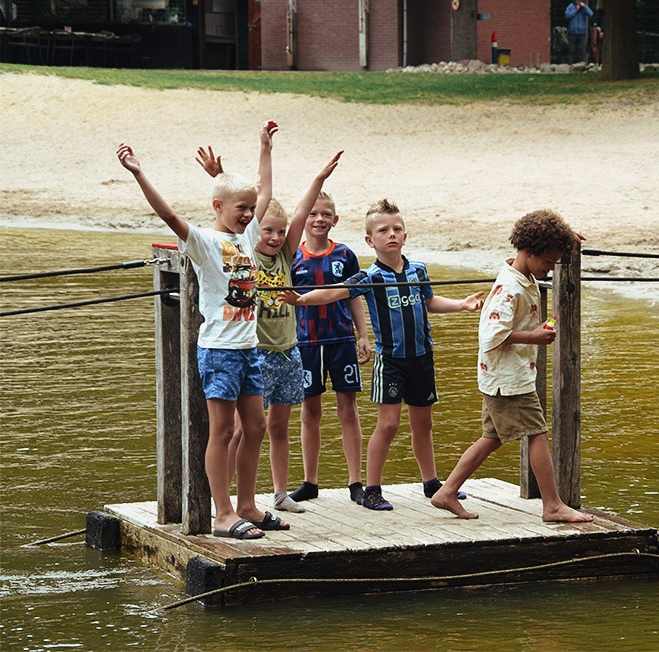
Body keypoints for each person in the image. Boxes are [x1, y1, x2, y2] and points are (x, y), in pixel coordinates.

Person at [116, 121, 288, 540]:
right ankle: (224, 513)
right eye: (240, 209)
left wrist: (264, 146)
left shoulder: (246, 236)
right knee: (223, 430)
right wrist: (139, 173)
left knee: (256, 427)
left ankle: (247, 504)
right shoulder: (205, 242)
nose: (249, 215)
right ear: (217, 207)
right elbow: (169, 215)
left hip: (249, 347)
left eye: (250, 210)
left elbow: (263, 190)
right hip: (219, 350)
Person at [281, 199, 484, 512]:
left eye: (397, 229)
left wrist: (460, 304)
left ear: (405, 235)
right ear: (369, 240)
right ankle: (372, 488)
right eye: (383, 230)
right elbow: (335, 291)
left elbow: (429, 301)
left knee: (423, 423)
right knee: (388, 425)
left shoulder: (418, 270)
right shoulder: (369, 276)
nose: (392, 234)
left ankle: (431, 482)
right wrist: (301, 299)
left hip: (422, 357)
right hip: (390, 361)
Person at [196, 144, 346, 514]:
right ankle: (226, 502)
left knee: (276, 427)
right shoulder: (244, 247)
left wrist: (319, 179)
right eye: (269, 231)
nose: (276, 237)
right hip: (253, 351)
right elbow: (252, 197)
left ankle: (279, 494)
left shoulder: (284, 254)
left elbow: (295, 213)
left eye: (281, 233)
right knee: (238, 430)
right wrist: (245, 159)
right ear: (255, 230)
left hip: (287, 350)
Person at [430, 210, 594, 524]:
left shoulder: (521, 271)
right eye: (548, 262)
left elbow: (542, 239)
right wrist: (532, 336)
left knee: (491, 438)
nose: (550, 269)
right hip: (509, 377)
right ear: (530, 253)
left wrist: (567, 240)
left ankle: (447, 491)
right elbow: (491, 336)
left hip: (502, 375)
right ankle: (553, 505)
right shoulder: (510, 289)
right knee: (537, 432)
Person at [287, 191, 372, 507]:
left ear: (334, 219)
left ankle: (355, 481)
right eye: (312, 214)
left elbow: (354, 296)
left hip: (341, 340)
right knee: (310, 411)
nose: (319, 219)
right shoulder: (293, 257)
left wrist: (363, 335)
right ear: (303, 218)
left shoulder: (345, 255)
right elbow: (288, 302)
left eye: (326, 214)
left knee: (347, 408)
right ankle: (310, 481)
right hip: (306, 342)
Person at [564, 0, 593, 64]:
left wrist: (585, 7)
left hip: (582, 31)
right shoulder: (570, 6)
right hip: (573, 31)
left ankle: (582, 65)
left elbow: (591, 14)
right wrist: (576, 10)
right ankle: (570, 65)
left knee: (583, 50)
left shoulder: (584, 7)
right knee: (571, 50)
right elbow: (567, 15)